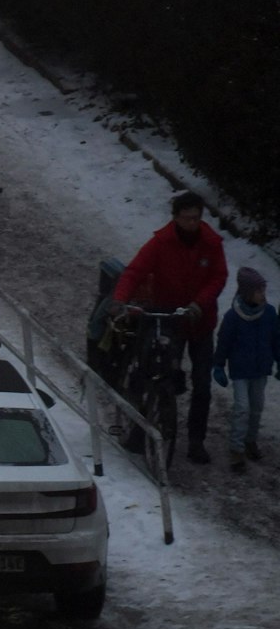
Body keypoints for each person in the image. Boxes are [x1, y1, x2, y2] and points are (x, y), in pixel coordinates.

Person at [112, 190, 228, 463]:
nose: (192, 223)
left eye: (196, 218)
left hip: (198, 322)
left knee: (202, 384)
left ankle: (196, 441)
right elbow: (134, 271)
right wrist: (119, 300)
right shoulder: (160, 243)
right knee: (153, 371)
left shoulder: (211, 243)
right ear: (176, 217)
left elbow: (219, 276)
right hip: (167, 318)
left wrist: (198, 304)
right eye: (187, 218)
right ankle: (142, 427)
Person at [212, 267, 280, 473]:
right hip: (241, 370)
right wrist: (219, 364)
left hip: (260, 369)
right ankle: (237, 448)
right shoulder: (233, 317)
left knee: (257, 406)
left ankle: (250, 440)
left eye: (264, 290)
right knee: (242, 408)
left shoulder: (268, 313)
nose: (263, 295)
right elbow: (224, 342)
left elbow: (276, 339)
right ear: (248, 293)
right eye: (259, 291)